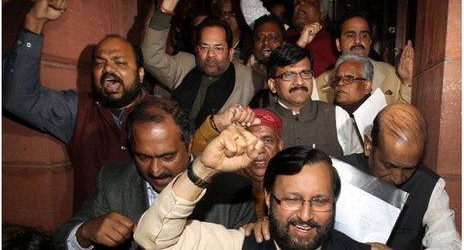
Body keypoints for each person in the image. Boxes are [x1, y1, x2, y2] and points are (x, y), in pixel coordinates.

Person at [2, 0, 147, 211]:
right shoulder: (76, 109)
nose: (108, 68)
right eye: (100, 63)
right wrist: (35, 23)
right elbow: (18, 98)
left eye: (119, 62)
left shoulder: (162, 112)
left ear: (140, 74)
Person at [52, 97, 256, 249]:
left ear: (190, 142)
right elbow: (59, 240)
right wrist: (86, 232)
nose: (155, 170)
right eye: (143, 157)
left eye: (167, 157)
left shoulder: (233, 193)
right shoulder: (114, 181)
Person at [133, 126, 370, 249]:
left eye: (320, 201)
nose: (306, 216)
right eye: (291, 199)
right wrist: (203, 168)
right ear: (267, 198)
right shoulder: (237, 245)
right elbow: (153, 239)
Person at [342, 103, 461, 249]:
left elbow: (447, 242)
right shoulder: (338, 173)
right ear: (369, 145)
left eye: (409, 168)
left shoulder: (429, 186)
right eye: (388, 165)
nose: (397, 178)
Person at [142, 0, 258, 128]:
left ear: (231, 52)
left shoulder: (250, 79)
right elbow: (151, 57)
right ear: (197, 50)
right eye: (204, 47)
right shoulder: (184, 66)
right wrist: (166, 8)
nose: (210, 54)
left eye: (218, 48)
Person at [263, 44, 363, 156]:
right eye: (289, 75)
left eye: (305, 73)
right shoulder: (261, 122)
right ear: (272, 85)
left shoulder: (336, 115)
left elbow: (357, 164)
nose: (299, 82)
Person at [192, 105, 284, 219]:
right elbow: (198, 154)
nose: (259, 148)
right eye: (250, 139)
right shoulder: (226, 180)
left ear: (280, 146)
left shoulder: (291, 181)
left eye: (268, 140)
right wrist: (219, 122)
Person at [317, 12, 414, 104]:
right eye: (351, 35)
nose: (358, 40)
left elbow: (404, 116)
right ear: (338, 44)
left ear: (370, 42)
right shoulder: (320, 84)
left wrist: (407, 81)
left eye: (364, 35)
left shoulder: (391, 74)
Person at [241, 0, 338, 76]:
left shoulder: (334, 40)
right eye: (299, 1)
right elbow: (251, 8)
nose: (302, 3)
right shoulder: (282, 33)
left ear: (323, 14)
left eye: (310, 1)